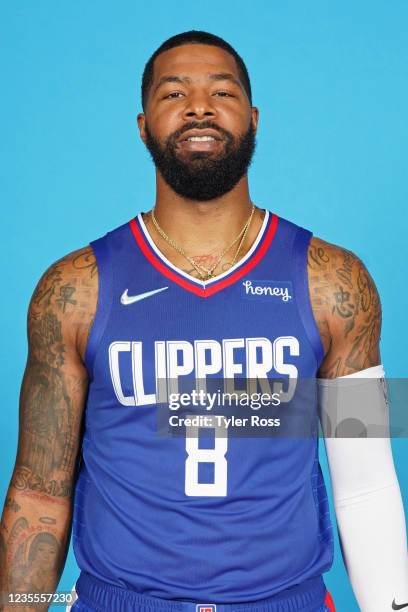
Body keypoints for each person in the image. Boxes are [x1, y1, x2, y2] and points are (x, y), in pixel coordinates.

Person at [1, 30, 407, 612]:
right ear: (142, 124)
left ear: (254, 118)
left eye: (222, 91)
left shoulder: (335, 282)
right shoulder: (74, 290)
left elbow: (366, 483)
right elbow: (39, 495)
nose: (199, 106)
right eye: (173, 94)